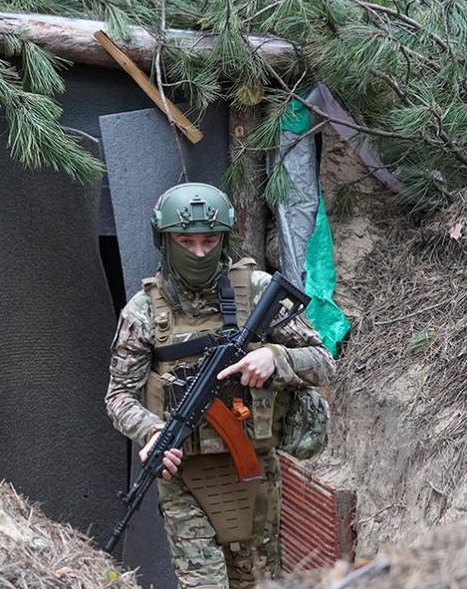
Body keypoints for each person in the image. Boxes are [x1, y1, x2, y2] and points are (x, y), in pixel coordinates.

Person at [106, 182, 335, 588]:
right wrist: (151, 430)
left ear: (225, 239)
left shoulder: (258, 290)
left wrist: (277, 358)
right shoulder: (142, 312)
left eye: (209, 240)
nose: (198, 252)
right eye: (185, 241)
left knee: (259, 581)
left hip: (254, 474)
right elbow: (119, 395)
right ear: (165, 240)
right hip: (183, 479)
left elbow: (324, 365)